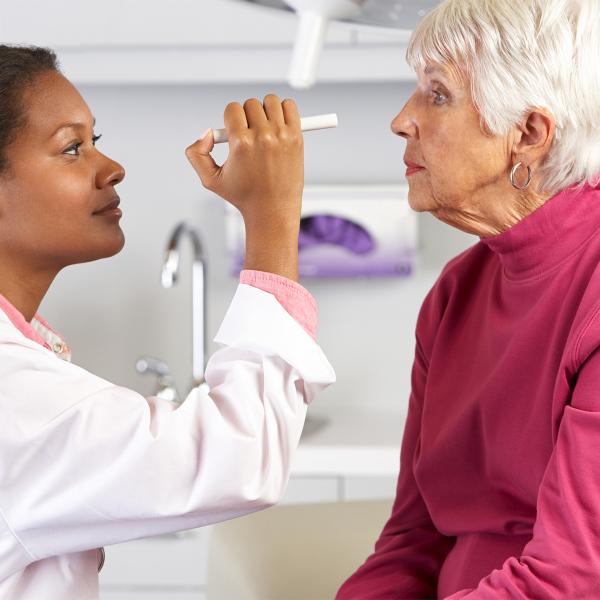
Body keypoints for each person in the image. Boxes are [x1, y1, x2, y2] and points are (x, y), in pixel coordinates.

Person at [0, 45, 335, 599]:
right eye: (72, 149)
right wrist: (273, 217)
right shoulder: (14, 398)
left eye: (95, 142)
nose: (111, 168)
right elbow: (237, 456)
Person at [337, 0, 600, 598]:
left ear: (528, 134)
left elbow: (570, 578)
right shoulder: (457, 291)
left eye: (438, 95)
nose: (402, 120)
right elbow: (412, 538)